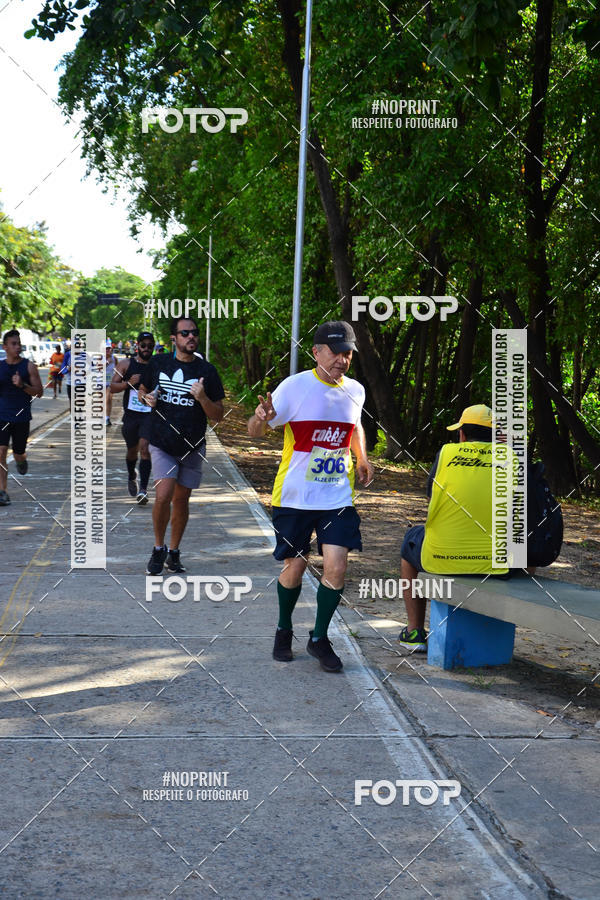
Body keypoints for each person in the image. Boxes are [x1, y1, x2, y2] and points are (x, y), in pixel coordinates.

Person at [247, 321, 373, 673]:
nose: (342, 360)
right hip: (295, 497)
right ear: (316, 352)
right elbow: (254, 431)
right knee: (296, 567)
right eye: (335, 352)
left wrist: (361, 457)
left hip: (337, 497)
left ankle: (319, 638)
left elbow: (354, 425)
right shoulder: (295, 387)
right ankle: (283, 628)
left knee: (337, 566)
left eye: (348, 353)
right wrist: (260, 417)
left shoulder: (356, 390)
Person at [398, 404, 515, 652]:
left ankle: (415, 631)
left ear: (462, 434)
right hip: (499, 565)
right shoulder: (512, 459)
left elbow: (432, 497)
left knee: (410, 540)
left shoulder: (446, 453)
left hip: (441, 559)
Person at [139, 316, 225, 575]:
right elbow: (143, 391)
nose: (191, 337)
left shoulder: (207, 371)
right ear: (173, 338)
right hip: (162, 442)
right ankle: (158, 548)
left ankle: (174, 552)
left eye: (194, 333)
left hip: (192, 445)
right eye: (185, 333)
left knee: (182, 499)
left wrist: (202, 398)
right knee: (163, 495)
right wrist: (148, 399)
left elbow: (218, 414)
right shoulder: (158, 363)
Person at [110, 331, 155, 504]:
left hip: (149, 415)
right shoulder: (125, 364)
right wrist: (128, 383)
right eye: (143, 345)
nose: (146, 348)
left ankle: (143, 490)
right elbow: (112, 387)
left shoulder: (156, 365)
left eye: (150, 346)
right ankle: (131, 474)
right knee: (132, 451)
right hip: (131, 416)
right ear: (137, 346)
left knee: (145, 448)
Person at [0, 330, 43, 505]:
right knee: (1, 451)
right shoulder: (0, 367)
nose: (18, 347)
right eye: (13, 344)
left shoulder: (28, 366)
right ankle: (2, 491)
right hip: (2, 416)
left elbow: (39, 392)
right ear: (5, 347)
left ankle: (21, 460)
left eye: (19, 343)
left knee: (18, 453)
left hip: (21, 417)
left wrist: (22, 385)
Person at [104, 340, 115, 426]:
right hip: (99, 381)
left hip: (110, 382)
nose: (108, 350)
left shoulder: (114, 358)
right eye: (106, 349)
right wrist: (107, 362)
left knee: (108, 399)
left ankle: (107, 418)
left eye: (109, 349)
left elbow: (118, 368)